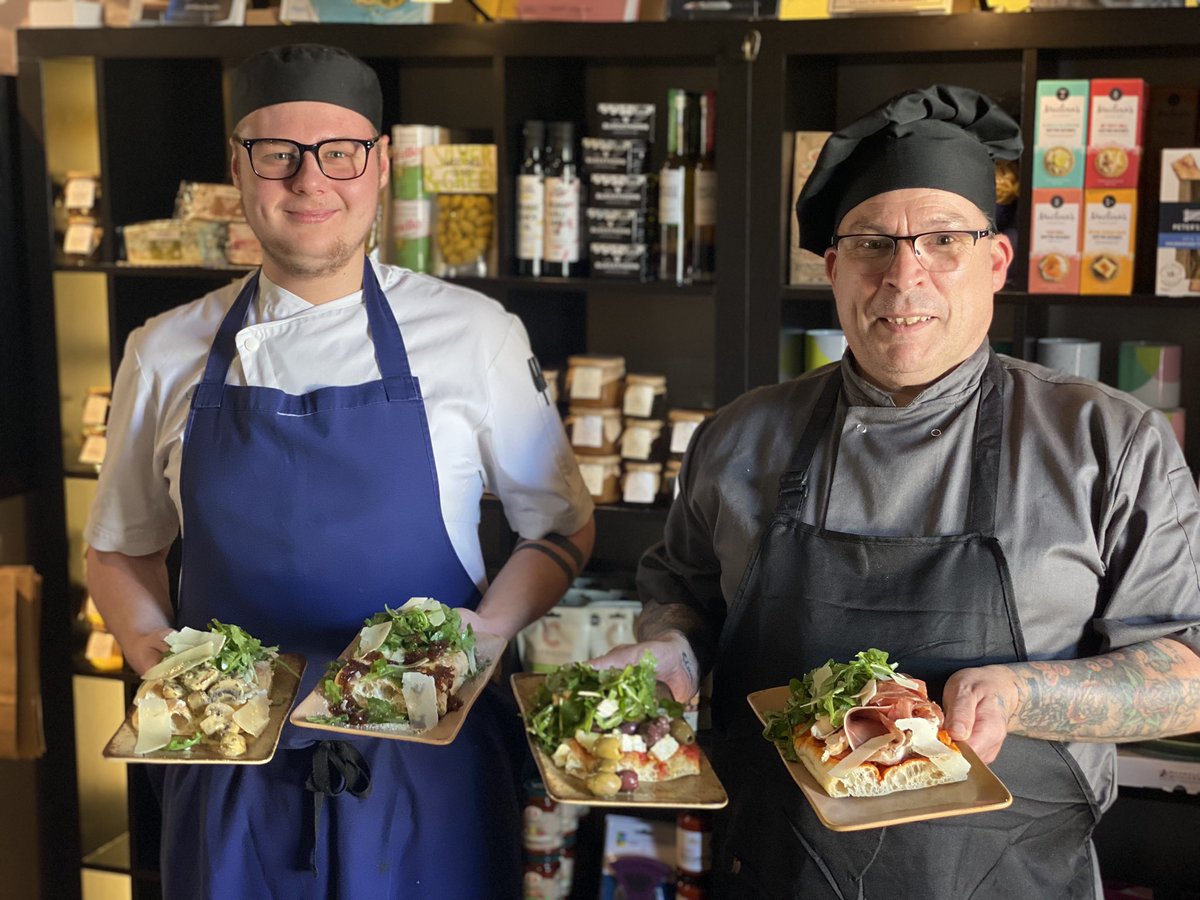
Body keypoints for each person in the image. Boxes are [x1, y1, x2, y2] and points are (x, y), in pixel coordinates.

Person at [593, 84, 1200, 898]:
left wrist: (1024, 693)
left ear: (996, 261)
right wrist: (669, 649)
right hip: (774, 875)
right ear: (834, 267)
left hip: (1013, 881)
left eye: (942, 240)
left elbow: (1189, 674)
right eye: (874, 245)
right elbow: (687, 596)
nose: (903, 276)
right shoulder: (739, 436)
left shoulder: (1110, 442)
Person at [84, 43, 595, 899]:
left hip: (426, 762)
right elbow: (118, 550)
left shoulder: (476, 335)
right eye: (276, 153)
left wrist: (486, 636)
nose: (309, 181)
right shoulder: (165, 350)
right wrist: (166, 669)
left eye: (339, 152)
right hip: (230, 776)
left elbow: (563, 526)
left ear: (381, 165)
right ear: (238, 170)